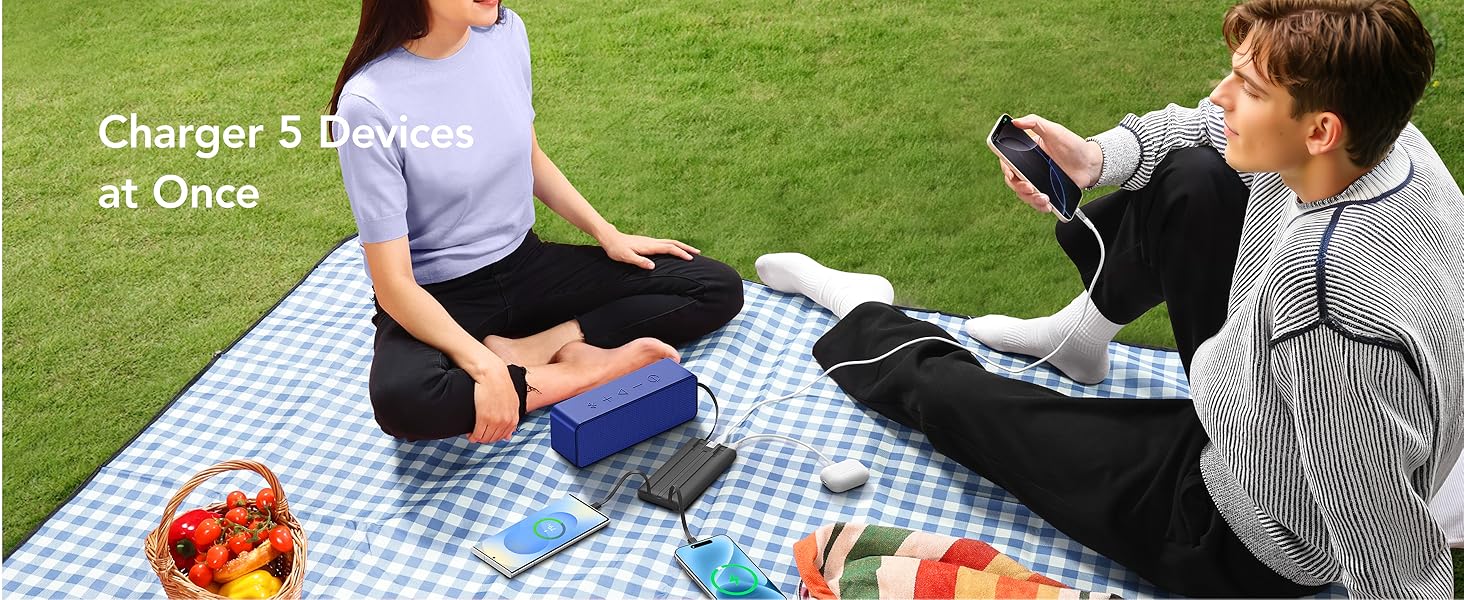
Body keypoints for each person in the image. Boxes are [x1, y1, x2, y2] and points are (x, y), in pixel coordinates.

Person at [755, 0, 1461, 596]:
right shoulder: (1391, 145)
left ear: (1319, 130)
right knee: (1190, 179)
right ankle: (1084, 337)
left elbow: (1385, 545)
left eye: (1248, 87)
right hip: (1267, 415)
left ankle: (867, 315)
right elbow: (1207, 129)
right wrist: (1094, 160)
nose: (1221, 95)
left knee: (977, 414)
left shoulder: (1325, 309)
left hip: (1237, 532)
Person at [327, 0, 743, 445]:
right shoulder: (367, 105)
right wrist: (483, 366)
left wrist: (608, 234)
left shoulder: (504, 34)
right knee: (403, 401)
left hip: (527, 265)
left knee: (714, 286)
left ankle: (538, 347)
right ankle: (584, 372)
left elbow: (530, 156)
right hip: (439, 298)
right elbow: (393, 285)